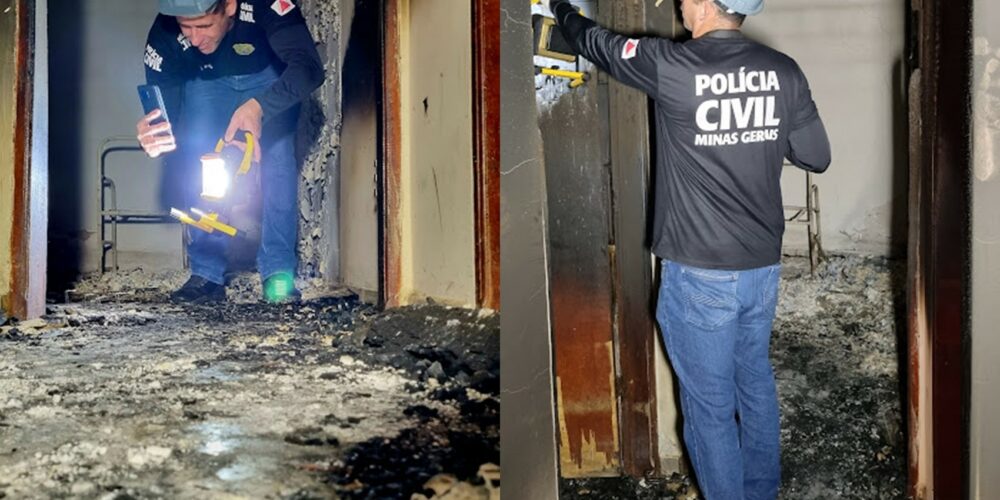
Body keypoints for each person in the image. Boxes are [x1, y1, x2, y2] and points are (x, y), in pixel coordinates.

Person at [543, 0, 831, 497]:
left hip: (700, 274)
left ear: (704, 4)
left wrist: (561, 8)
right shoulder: (783, 70)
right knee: (754, 384)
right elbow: (816, 156)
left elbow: (599, 44)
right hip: (761, 268)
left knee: (710, 409)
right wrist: (758, 128)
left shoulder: (672, 65)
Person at [136, 0, 324, 304]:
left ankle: (278, 273)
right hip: (205, 80)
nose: (194, 39)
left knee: (278, 161)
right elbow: (167, 116)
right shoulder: (163, 32)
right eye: (186, 27)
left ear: (230, 6)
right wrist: (155, 135)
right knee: (202, 155)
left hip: (268, 77)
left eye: (204, 25)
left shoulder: (265, 4)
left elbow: (309, 68)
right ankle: (206, 273)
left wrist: (261, 107)